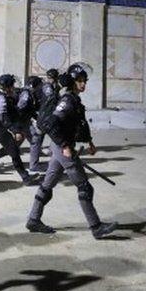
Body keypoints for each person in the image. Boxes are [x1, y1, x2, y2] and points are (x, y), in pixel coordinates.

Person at [26, 63, 117, 239]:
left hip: (61, 147)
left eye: (84, 81)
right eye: (80, 81)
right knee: (84, 187)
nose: (83, 85)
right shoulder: (67, 100)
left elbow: (80, 122)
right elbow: (50, 123)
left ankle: (33, 220)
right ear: (72, 82)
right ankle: (96, 227)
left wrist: (89, 141)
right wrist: (65, 146)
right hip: (62, 147)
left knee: (47, 185)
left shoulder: (74, 99)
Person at [18, 76, 47, 172]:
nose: (40, 87)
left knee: (14, 145)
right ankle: (34, 165)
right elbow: (21, 109)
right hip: (23, 122)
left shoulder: (30, 93)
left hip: (25, 121)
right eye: (39, 85)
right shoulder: (26, 94)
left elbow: (30, 109)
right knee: (36, 139)